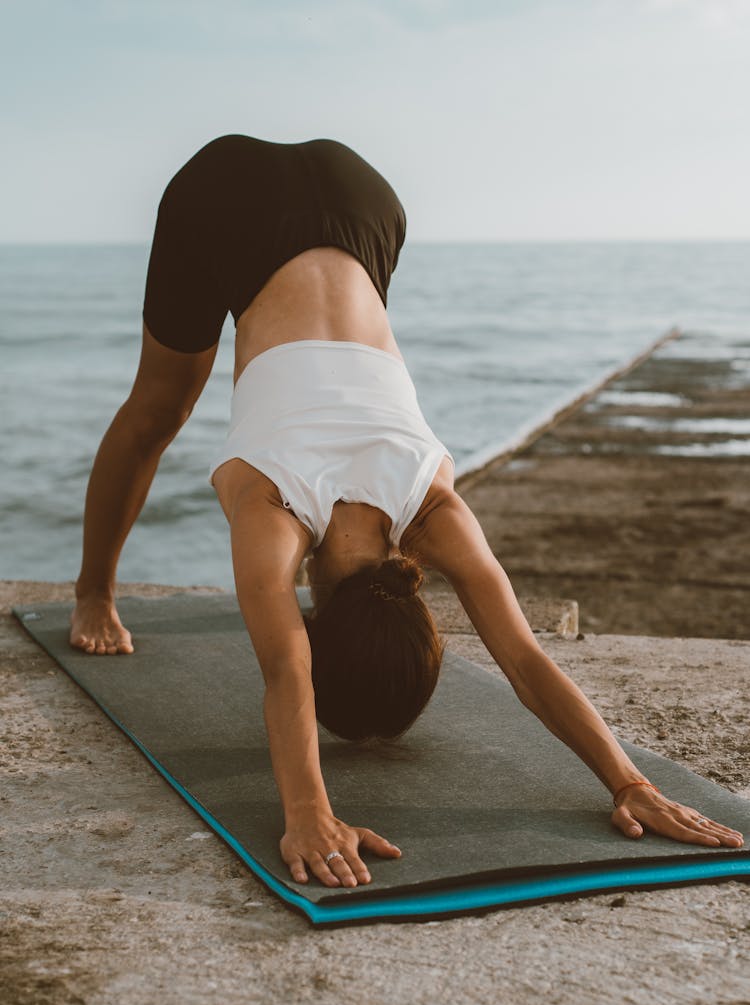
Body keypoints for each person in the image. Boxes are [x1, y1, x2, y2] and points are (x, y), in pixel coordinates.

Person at [69, 134, 744, 889]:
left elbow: (522, 655)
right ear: (320, 620)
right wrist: (306, 811)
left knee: (173, 396)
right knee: (163, 406)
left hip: (364, 193)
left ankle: (96, 588)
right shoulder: (272, 502)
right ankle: (93, 592)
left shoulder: (433, 504)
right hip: (229, 197)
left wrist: (632, 781)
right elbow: (286, 669)